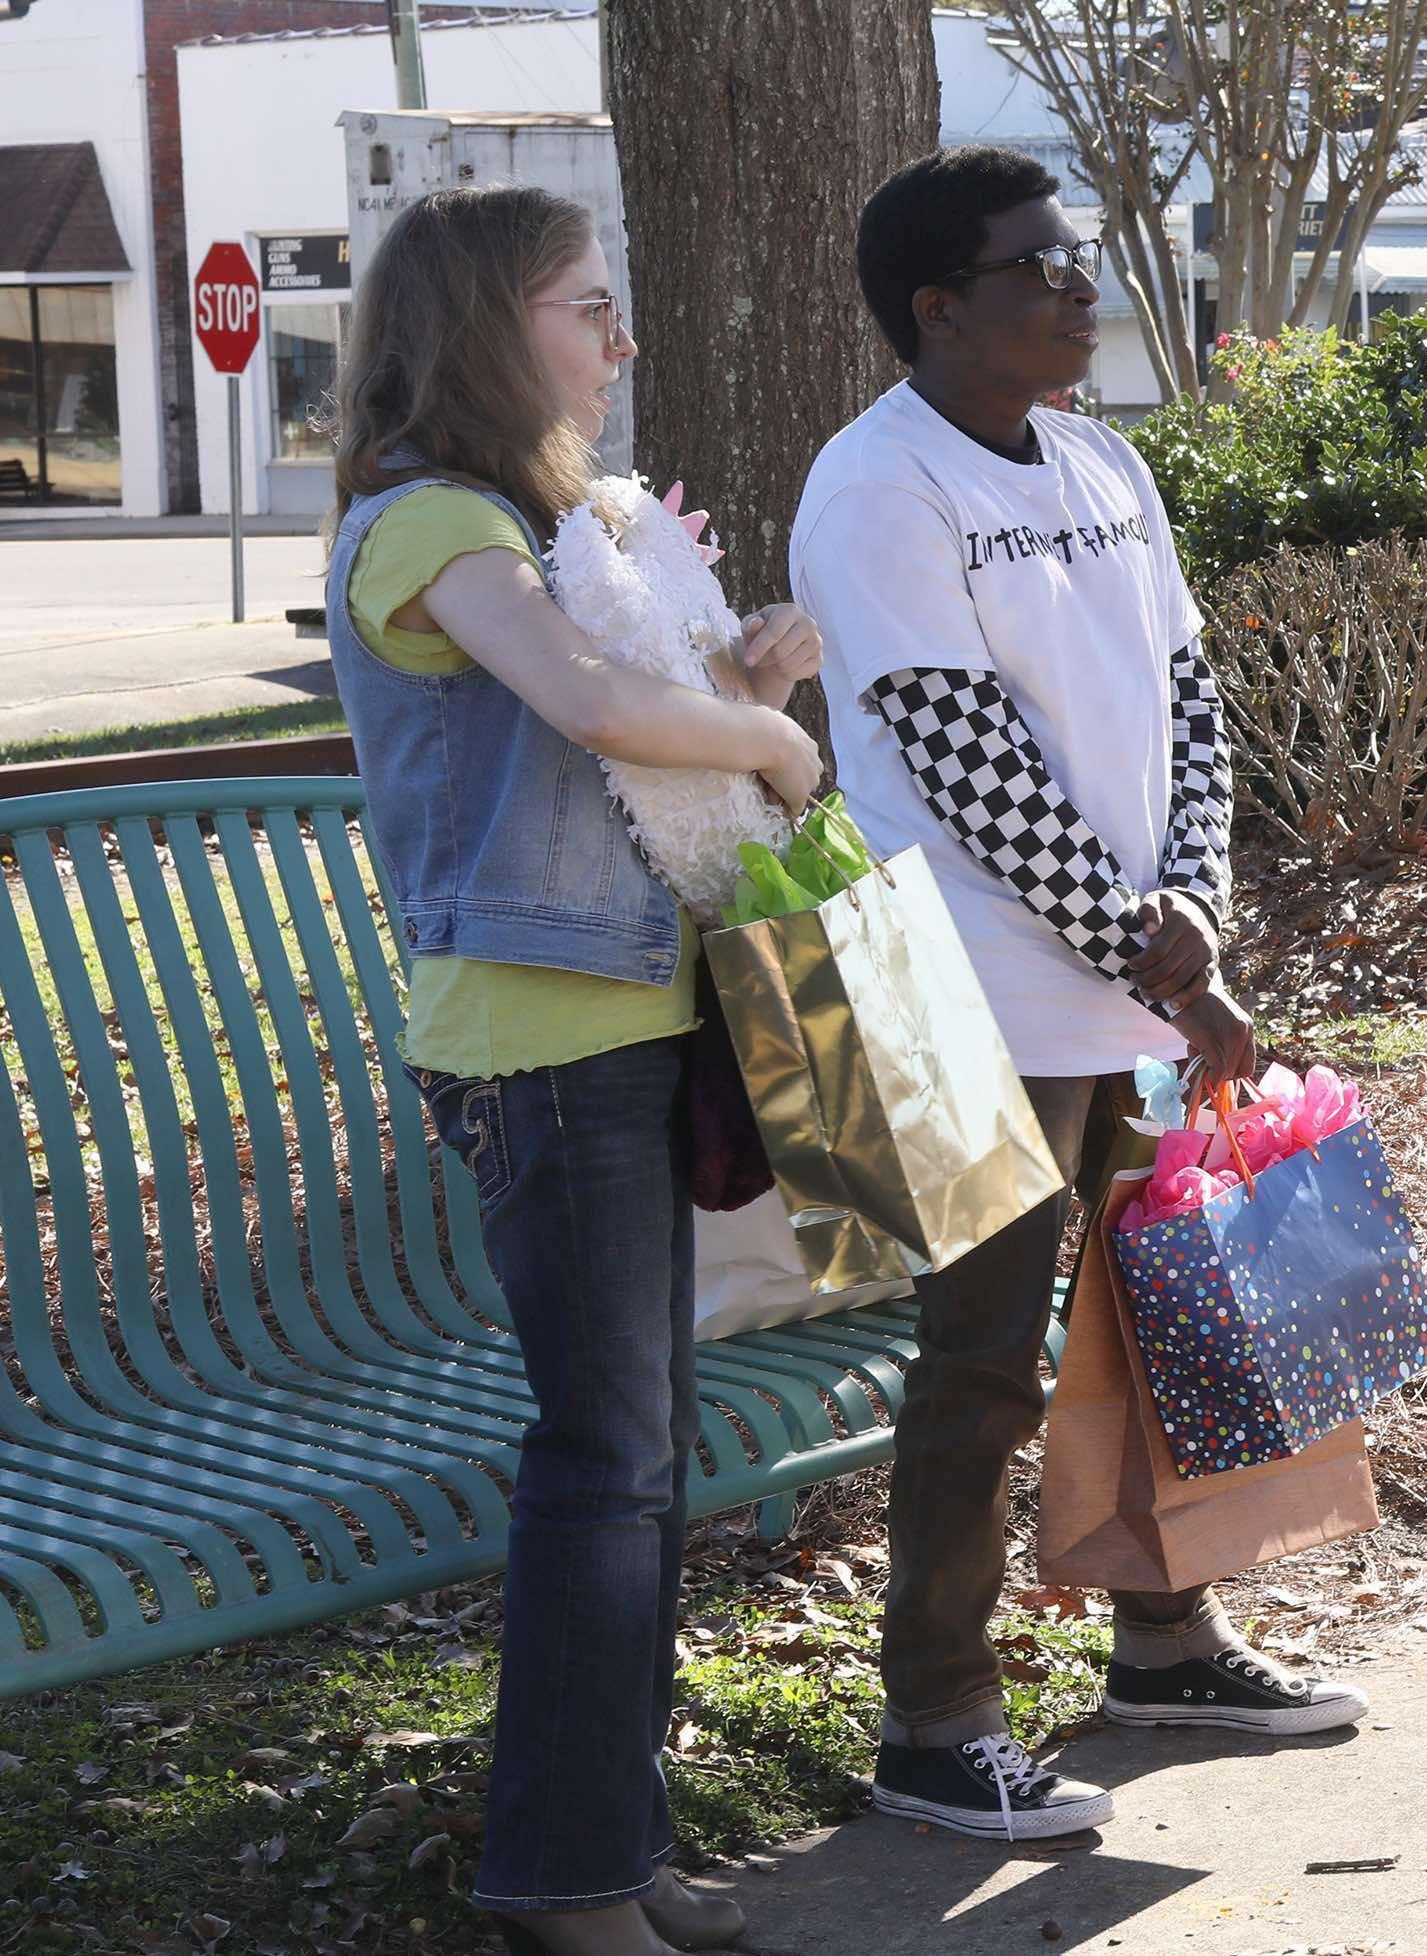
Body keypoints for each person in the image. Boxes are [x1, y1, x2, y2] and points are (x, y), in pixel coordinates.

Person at [792, 145, 1365, 1843]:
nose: (1076, 284)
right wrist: (1157, 948)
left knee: (1171, 1315)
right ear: (938, 307)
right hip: (951, 986)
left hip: (1123, 973)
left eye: (1076, 257)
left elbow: (1188, 698)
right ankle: (935, 1719)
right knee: (981, 1364)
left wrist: (1193, 900)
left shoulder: (1102, 458)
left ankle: (1166, 1641)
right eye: (1037, 265)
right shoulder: (876, 486)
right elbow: (966, 754)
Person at [323, 184, 823, 1955]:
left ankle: (609, 1844)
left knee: (644, 1455)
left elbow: (641, 716)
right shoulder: (427, 523)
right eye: (585, 308)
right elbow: (599, 712)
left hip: (624, 1034)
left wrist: (755, 666)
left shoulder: (537, 527)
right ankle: (559, 1879)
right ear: (481, 327)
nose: (618, 344)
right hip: (543, 1051)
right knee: (604, 1462)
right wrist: (761, 731)